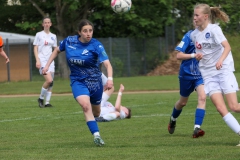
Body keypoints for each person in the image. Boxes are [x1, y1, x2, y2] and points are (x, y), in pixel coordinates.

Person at [42, 19, 113, 146]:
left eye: (90, 31)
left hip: (95, 82)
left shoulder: (96, 45)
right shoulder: (69, 41)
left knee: (96, 112)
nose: (88, 33)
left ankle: (94, 117)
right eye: (85, 31)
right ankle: (97, 136)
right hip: (78, 81)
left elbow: (107, 64)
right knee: (86, 106)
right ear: (79, 32)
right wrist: (47, 66)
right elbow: (57, 50)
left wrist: (110, 79)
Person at [191, 4, 240, 145]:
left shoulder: (214, 29)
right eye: (194, 15)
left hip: (223, 70)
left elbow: (227, 47)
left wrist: (220, 60)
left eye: (197, 15)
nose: (194, 18)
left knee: (234, 107)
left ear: (205, 16)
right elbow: (202, 53)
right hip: (208, 75)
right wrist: (198, 56)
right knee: (220, 108)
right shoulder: (194, 34)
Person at [168, 21, 206, 138]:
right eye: (195, 21)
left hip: (200, 75)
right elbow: (178, 55)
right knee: (182, 102)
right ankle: (173, 119)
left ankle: (196, 128)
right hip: (186, 75)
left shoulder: (208, 36)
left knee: (202, 97)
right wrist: (194, 55)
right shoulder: (189, 36)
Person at [33, 17, 57, 108]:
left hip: (50, 61)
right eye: (45, 22)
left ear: (50, 24)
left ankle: (47, 102)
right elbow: (35, 47)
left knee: (51, 82)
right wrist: (37, 60)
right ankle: (40, 98)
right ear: (43, 24)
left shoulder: (53, 36)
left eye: (48, 22)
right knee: (49, 80)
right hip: (42, 60)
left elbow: (55, 49)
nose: (47, 24)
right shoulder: (39, 34)